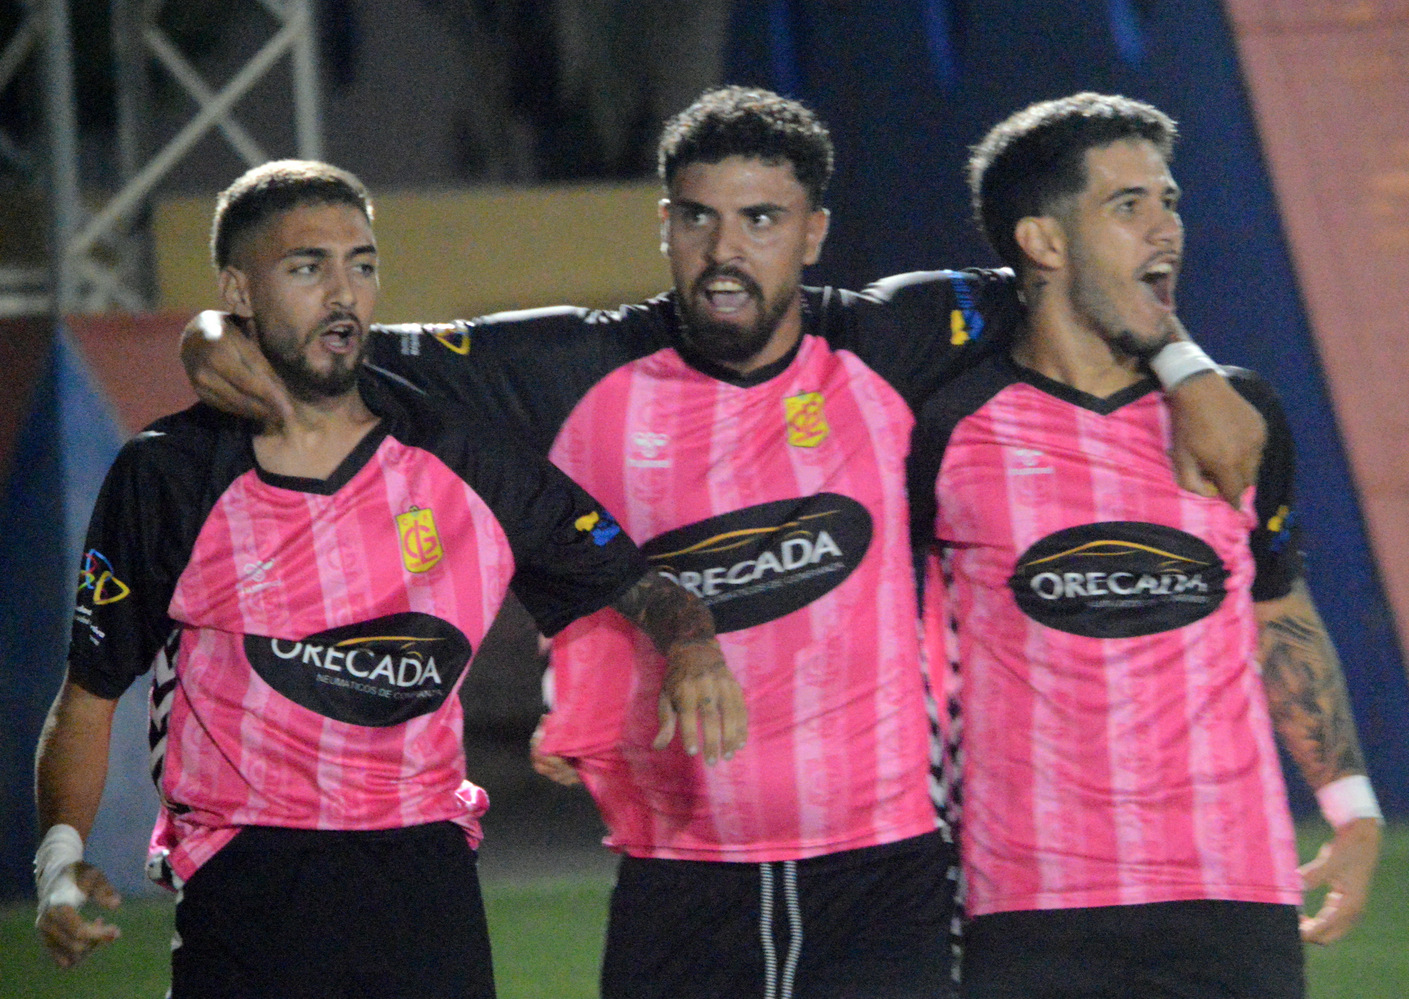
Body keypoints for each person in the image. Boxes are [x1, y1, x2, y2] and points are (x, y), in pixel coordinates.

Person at [179, 89, 1264, 999]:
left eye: (760, 219)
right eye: (699, 219)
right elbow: (348, 348)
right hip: (678, 879)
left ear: (814, 233)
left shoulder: (892, 339)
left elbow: (1084, 277)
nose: (725, 250)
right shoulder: (573, 368)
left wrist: (1187, 364)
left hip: (883, 877)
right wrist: (214, 328)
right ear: (664, 225)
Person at [32, 160, 746, 999]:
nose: (344, 292)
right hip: (247, 882)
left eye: (362, 265)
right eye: (308, 267)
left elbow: (628, 579)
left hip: (425, 883)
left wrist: (692, 640)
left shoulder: (465, 454)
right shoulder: (171, 475)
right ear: (239, 289)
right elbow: (89, 693)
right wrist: (60, 858)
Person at [907, 93, 1383, 998]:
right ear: (1043, 242)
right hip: (1026, 901)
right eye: (1128, 205)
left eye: (1170, 201)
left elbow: (1277, 609)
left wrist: (1351, 805)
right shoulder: (945, 426)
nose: (1167, 227)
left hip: (1233, 892)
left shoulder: (1236, 417)